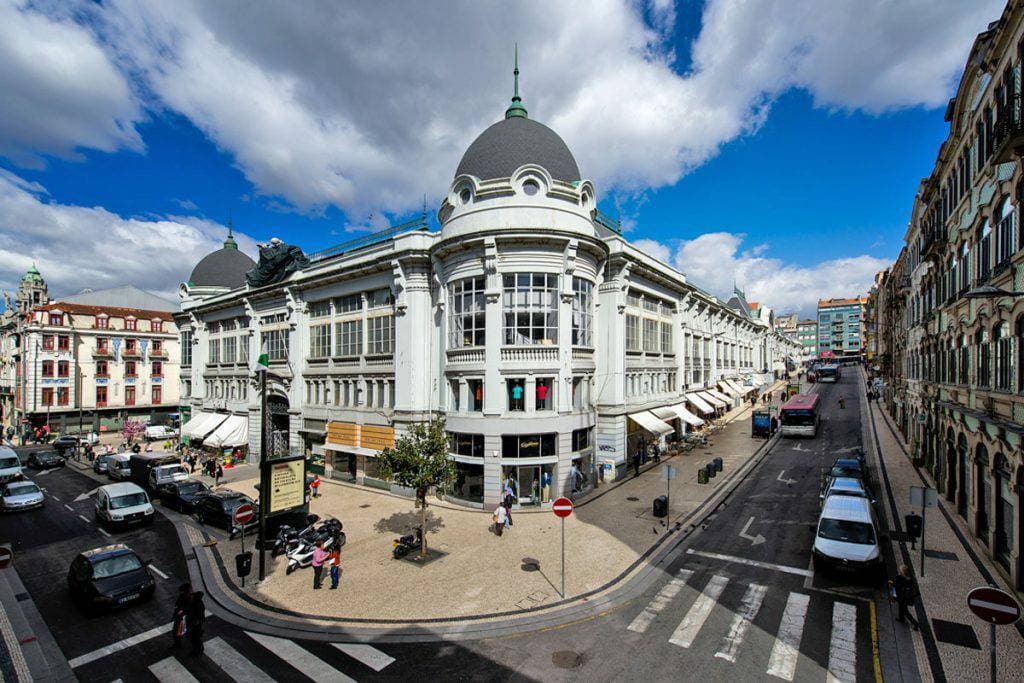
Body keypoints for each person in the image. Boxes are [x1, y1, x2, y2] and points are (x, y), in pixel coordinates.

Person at [891, 565, 919, 630]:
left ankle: (915, 623)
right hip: (908, 597)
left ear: (902, 572)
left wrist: (894, 597)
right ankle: (901, 618)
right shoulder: (910, 578)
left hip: (901, 597)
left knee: (905, 612)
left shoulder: (899, 578)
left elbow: (896, 587)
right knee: (901, 607)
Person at [171, 582, 191, 648]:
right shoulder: (182, 596)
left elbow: (187, 608)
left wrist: (181, 611)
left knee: (177, 632)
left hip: (182, 618)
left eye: (181, 591)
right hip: (179, 617)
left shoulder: (187, 598)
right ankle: (177, 643)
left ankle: (178, 644)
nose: (180, 592)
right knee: (176, 632)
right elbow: (177, 605)